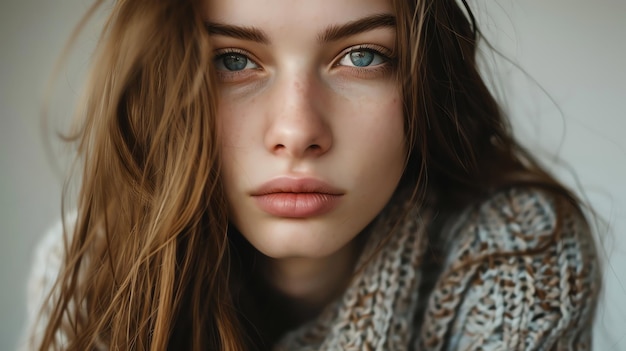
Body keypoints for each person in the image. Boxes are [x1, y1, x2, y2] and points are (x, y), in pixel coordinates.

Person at [23, 0, 600, 350]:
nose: (297, 131)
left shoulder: (517, 256)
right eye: (234, 60)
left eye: (362, 56)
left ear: (427, 82)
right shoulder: (87, 275)